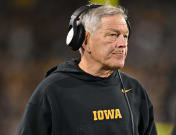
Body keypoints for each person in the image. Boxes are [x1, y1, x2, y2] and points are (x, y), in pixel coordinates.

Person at [17, 4, 157, 135]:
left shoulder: (134, 89)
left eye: (125, 36)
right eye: (112, 35)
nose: (122, 44)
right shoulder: (52, 90)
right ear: (85, 40)